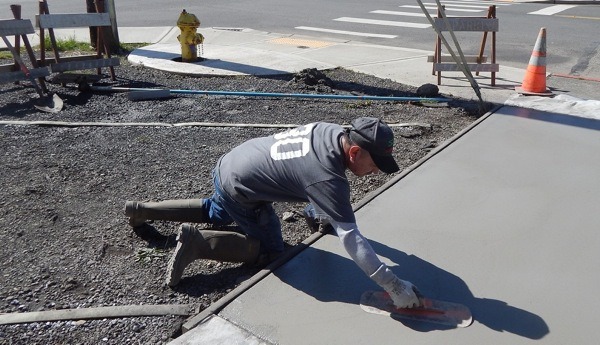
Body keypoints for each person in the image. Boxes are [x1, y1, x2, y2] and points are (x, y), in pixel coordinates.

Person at [124, 117, 422, 308]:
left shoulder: (332, 132)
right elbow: (351, 238)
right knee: (272, 251)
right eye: (374, 165)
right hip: (244, 190)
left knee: (219, 208)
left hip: (234, 164)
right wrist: (392, 284)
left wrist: (319, 214)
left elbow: (303, 178)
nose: (374, 173)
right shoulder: (327, 178)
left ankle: (142, 210)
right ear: (354, 153)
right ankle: (196, 243)